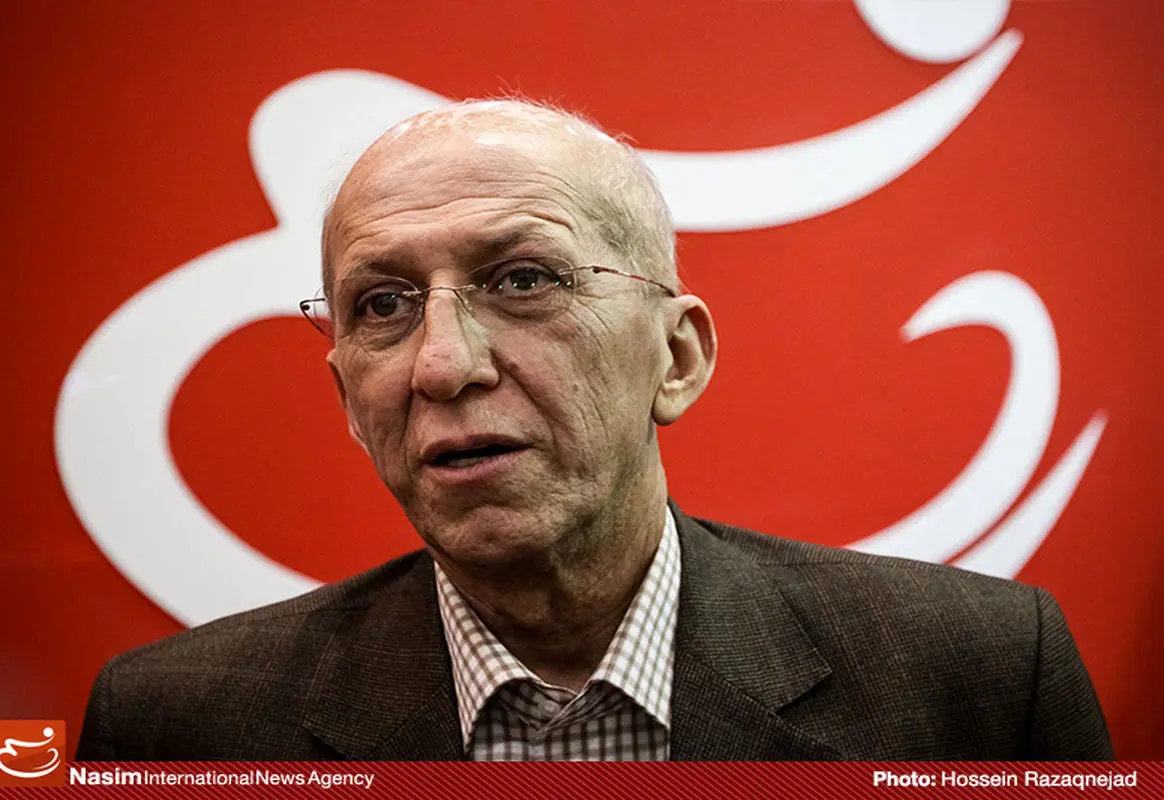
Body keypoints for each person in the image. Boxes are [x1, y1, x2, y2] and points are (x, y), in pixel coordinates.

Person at [76, 99, 1112, 761]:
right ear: (349, 396)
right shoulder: (177, 725)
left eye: (524, 279)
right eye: (383, 304)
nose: (442, 364)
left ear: (677, 357)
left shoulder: (977, 678)